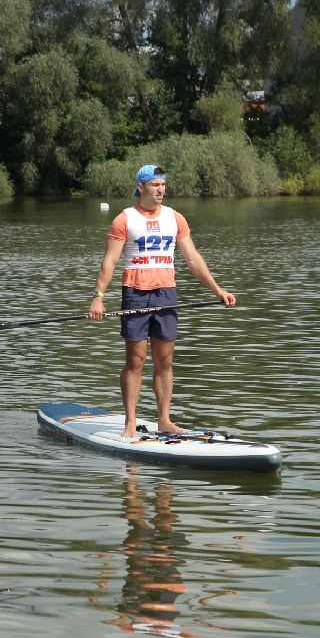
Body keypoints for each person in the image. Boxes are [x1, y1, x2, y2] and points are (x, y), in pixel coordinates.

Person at [88, 164, 235, 438]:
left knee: (164, 360)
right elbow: (109, 261)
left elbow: (193, 259)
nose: (161, 190)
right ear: (140, 187)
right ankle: (130, 422)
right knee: (136, 360)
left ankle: (165, 421)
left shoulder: (175, 218)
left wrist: (217, 289)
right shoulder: (124, 219)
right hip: (135, 292)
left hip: (166, 293)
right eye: (155, 185)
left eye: (163, 185)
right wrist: (98, 296)